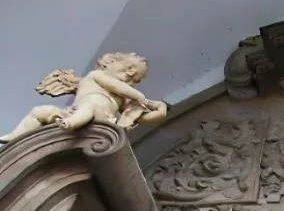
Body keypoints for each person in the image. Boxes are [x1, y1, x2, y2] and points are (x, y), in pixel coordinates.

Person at [0, 52, 167, 144]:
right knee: (40, 111)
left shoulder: (122, 99)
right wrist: (139, 95)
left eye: (133, 79)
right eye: (126, 69)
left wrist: (160, 112)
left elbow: (141, 117)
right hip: (74, 112)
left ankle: (70, 123)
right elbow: (116, 86)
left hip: (100, 118)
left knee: (90, 108)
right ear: (107, 63)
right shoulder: (95, 76)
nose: (127, 78)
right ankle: (16, 136)